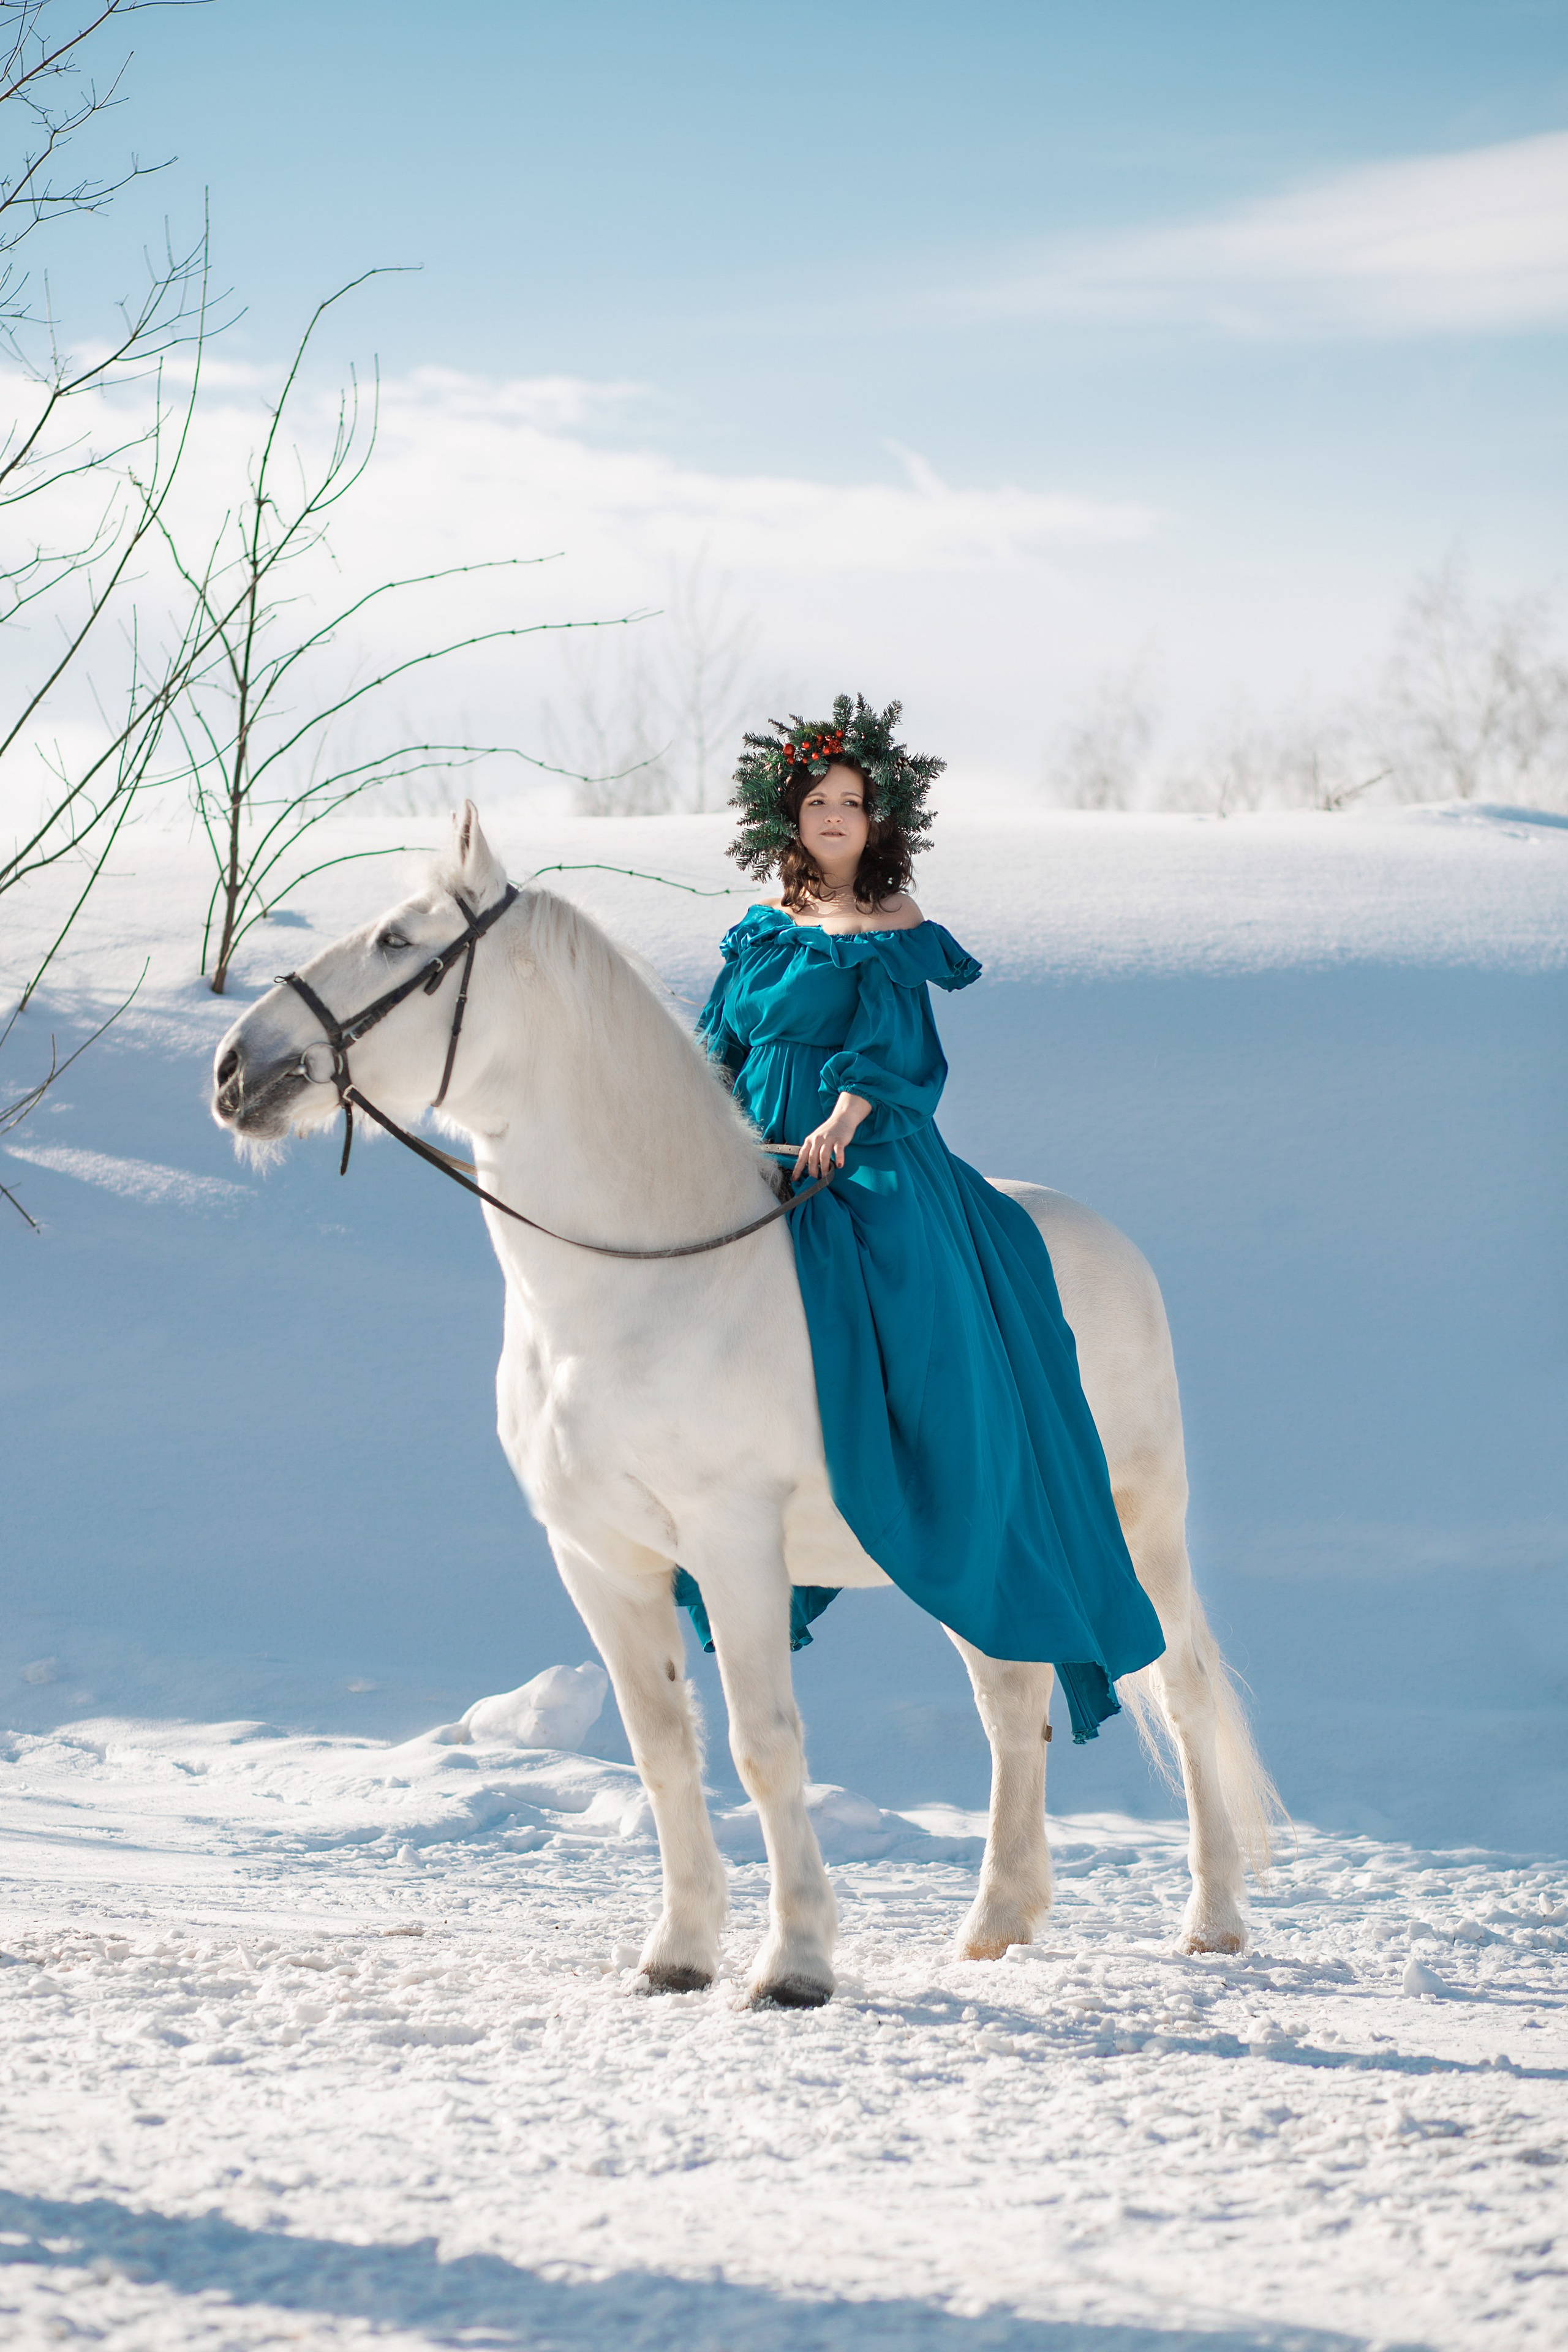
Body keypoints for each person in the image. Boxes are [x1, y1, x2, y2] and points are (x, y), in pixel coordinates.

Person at [692, 696, 1164, 1741]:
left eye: (851, 803)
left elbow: (902, 1048)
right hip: (753, 1148)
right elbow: (717, 1043)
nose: (833, 816)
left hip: (869, 1148)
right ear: (789, 819)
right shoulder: (761, 935)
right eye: (816, 801)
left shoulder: (893, 926)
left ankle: (946, 1468)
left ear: (876, 822)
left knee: (909, 1289)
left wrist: (842, 1118)